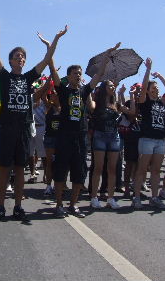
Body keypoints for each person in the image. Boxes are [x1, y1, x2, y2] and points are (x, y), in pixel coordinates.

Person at [0, 15, 67, 220]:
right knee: (4, 169)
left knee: (20, 169)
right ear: (10, 61)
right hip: (7, 128)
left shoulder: (28, 77)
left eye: (22, 56)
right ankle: (0, 206)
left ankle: (17, 206)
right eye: (16, 56)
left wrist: (54, 40)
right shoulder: (4, 76)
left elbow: (47, 58)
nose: (20, 59)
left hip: (24, 129)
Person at [45, 37, 120, 217]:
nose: (79, 75)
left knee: (80, 173)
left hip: (81, 136)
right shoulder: (63, 90)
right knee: (61, 171)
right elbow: (52, 69)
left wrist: (107, 57)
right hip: (64, 136)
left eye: (80, 73)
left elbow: (98, 75)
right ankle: (59, 204)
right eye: (75, 73)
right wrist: (51, 48)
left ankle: (73, 205)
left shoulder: (85, 91)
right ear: (68, 76)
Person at [131, 58, 165, 209]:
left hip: (159, 139)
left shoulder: (161, 102)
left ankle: (154, 197)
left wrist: (160, 76)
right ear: (148, 91)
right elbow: (142, 91)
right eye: (153, 87)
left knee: (156, 170)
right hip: (147, 139)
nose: (156, 89)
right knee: (142, 169)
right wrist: (148, 70)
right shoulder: (145, 102)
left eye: (157, 88)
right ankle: (136, 197)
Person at [89, 80, 135, 209]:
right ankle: (94, 197)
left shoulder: (116, 104)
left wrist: (130, 95)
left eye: (113, 86)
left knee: (112, 169)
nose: (113, 87)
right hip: (100, 136)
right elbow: (91, 107)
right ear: (104, 88)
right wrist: (89, 91)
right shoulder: (97, 102)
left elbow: (132, 112)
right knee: (98, 168)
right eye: (110, 85)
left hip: (114, 137)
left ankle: (110, 198)